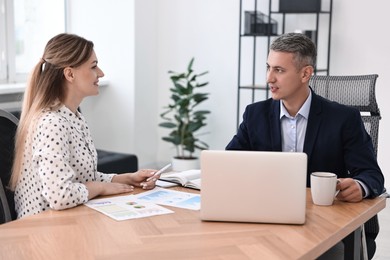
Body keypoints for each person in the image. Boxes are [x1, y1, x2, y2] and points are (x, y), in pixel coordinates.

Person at [226, 32, 384, 259]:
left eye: (279, 70)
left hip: (325, 227)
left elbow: (372, 175)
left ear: (305, 73)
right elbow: (230, 163)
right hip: (268, 219)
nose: (269, 78)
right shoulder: (255, 115)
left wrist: (360, 186)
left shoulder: (343, 118)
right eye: (268, 68)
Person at [9, 33, 159, 219]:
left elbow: (83, 179)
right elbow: (60, 196)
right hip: (44, 231)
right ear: (70, 74)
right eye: (94, 66)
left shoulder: (74, 117)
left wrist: (126, 178)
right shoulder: (51, 123)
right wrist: (100, 187)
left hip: (70, 219)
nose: (101, 73)